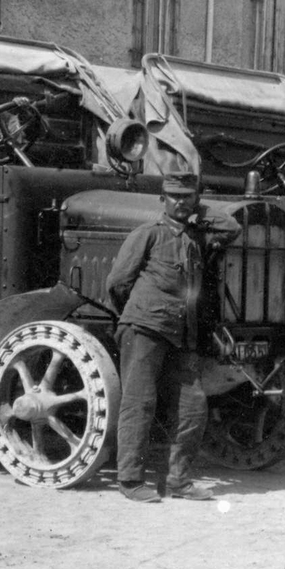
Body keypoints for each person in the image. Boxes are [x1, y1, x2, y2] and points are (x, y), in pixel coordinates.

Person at [105, 172, 227, 503]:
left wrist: (200, 212)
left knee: (193, 407)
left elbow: (232, 228)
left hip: (182, 333)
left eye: (188, 196)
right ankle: (130, 480)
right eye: (174, 196)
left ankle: (179, 482)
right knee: (139, 403)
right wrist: (138, 315)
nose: (181, 201)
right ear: (163, 199)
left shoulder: (195, 238)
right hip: (145, 328)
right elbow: (117, 283)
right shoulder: (148, 234)